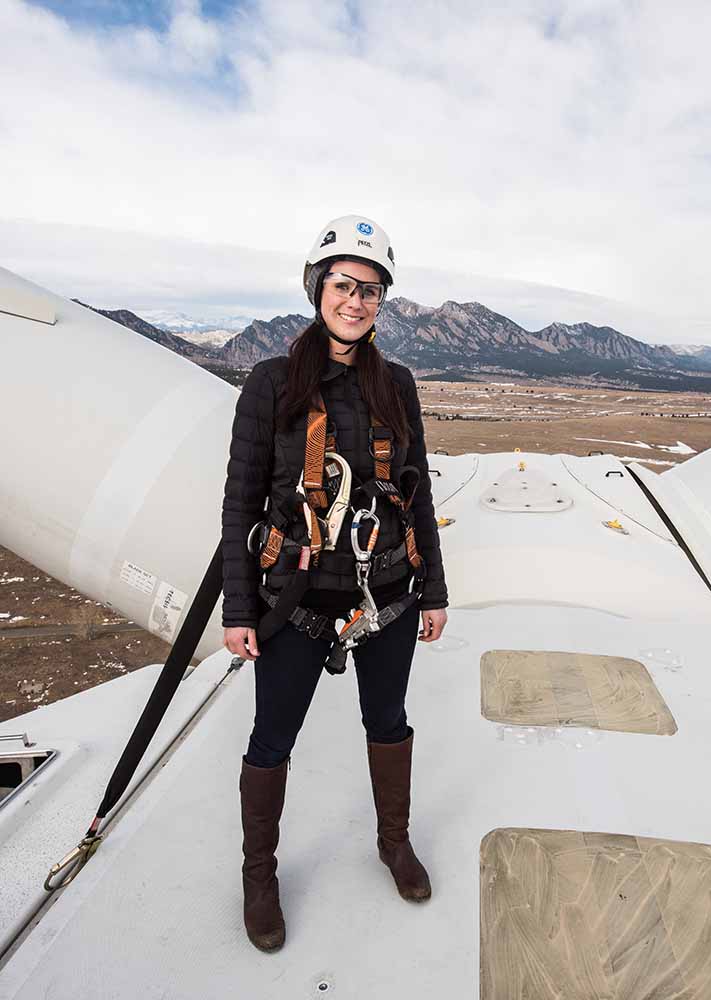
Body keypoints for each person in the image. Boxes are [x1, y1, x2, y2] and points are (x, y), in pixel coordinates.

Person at [221, 214, 449, 953]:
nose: (357, 301)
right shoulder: (270, 383)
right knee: (271, 737)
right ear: (319, 287)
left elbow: (415, 496)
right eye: (346, 285)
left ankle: (394, 843)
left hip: (386, 589)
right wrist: (238, 606)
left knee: (388, 720)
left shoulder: (397, 386)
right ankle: (260, 875)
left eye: (372, 291)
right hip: (294, 597)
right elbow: (241, 500)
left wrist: (434, 590)